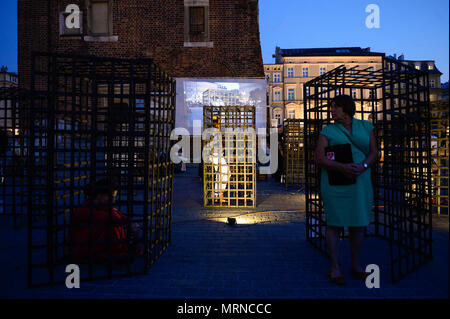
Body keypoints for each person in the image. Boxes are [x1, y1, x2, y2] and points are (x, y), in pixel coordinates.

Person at [315, 95, 378, 285]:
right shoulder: (327, 130)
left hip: (360, 182)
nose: (332, 111)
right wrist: (342, 167)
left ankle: (356, 265)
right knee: (334, 225)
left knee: (358, 225)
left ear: (347, 109)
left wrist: (364, 166)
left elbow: (375, 152)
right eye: (331, 107)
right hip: (336, 183)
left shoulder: (366, 127)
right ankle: (335, 267)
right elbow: (319, 158)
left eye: (335, 107)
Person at [70, 178, 141, 262]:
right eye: (111, 197)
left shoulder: (100, 206)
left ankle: (118, 250)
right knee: (112, 226)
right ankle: (116, 252)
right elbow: (111, 217)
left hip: (95, 247)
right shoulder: (85, 209)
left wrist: (129, 221)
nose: (114, 200)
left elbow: (117, 216)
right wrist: (128, 222)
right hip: (84, 250)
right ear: (99, 195)